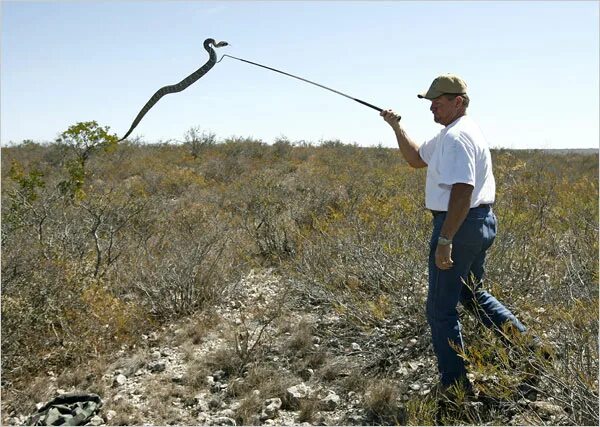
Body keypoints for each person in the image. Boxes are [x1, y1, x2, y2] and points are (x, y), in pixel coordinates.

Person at [380, 74, 529, 396]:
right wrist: (396, 127)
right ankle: (530, 349)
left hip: (459, 225)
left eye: (438, 101)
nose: (432, 106)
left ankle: (455, 386)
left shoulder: (458, 137)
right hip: (477, 223)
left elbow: (463, 190)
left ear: (458, 101)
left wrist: (445, 240)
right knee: (472, 295)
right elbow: (416, 159)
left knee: (440, 310)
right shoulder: (449, 134)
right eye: (430, 101)